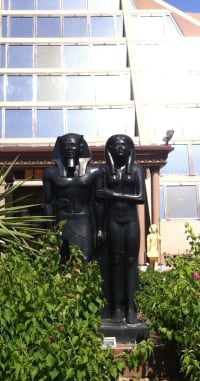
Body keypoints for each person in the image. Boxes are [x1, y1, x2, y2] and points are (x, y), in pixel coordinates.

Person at [96, 134, 147, 324]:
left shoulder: (137, 169)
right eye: (115, 144)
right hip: (113, 221)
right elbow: (99, 202)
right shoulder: (103, 171)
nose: (119, 147)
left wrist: (113, 194)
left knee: (131, 263)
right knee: (116, 262)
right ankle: (117, 307)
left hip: (131, 221)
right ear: (109, 149)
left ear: (129, 148)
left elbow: (141, 197)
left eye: (123, 144)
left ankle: (131, 307)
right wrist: (99, 228)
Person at [43, 133, 99, 263]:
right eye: (66, 145)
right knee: (63, 261)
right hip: (62, 220)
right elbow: (48, 203)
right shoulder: (51, 173)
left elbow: (98, 203)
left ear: (81, 147)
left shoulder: (94, 172)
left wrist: (99, 228)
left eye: (73, 145)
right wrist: (50, 229)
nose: (70, 148)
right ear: (60, 148)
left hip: (84, 220)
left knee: (84, 259)